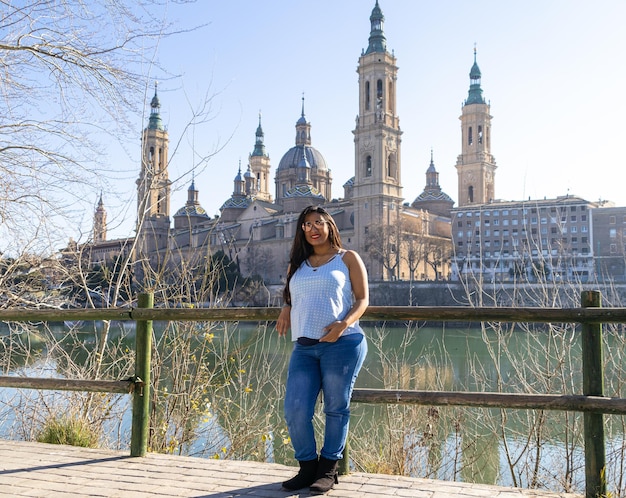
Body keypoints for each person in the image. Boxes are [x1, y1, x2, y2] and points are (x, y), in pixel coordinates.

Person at [276, 205, 369, 494]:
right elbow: (295, 293)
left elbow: (363, 299)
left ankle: (328, 469)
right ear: (301, 231)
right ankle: (307, 467)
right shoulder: (297, 264)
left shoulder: (348, 258)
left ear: (330, 225)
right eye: (306, 225)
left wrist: (343, 324)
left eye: (318, 222)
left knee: (335, 408)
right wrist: (287, 307)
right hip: (304, 348)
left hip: (343, 344)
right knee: (294, 410)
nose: (312, 228)